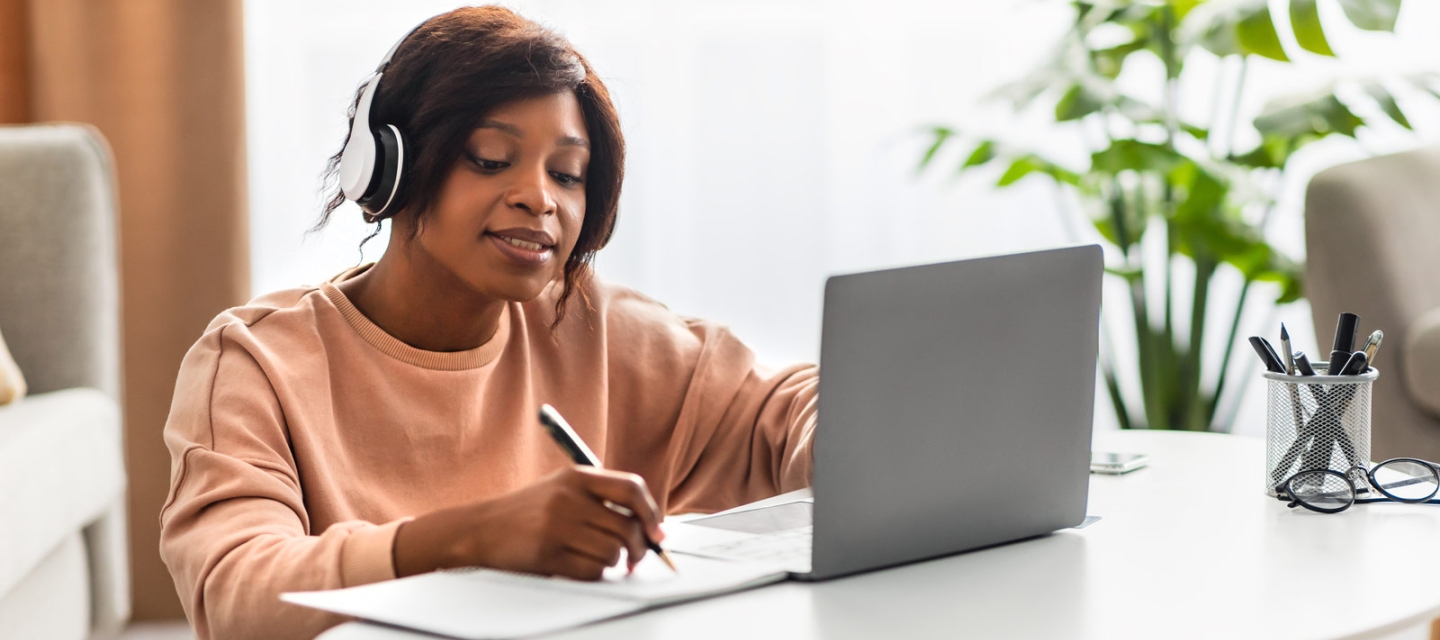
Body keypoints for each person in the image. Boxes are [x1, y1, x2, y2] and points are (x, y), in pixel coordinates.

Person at [158, 6, 817, 640]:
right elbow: (234, 599)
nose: (540, 196)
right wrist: (469, 538)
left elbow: (786, 411)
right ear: (390, 168)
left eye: (568, 174)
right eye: (491, 159)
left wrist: (840, 427)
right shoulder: (255, 362)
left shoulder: (594, 328)